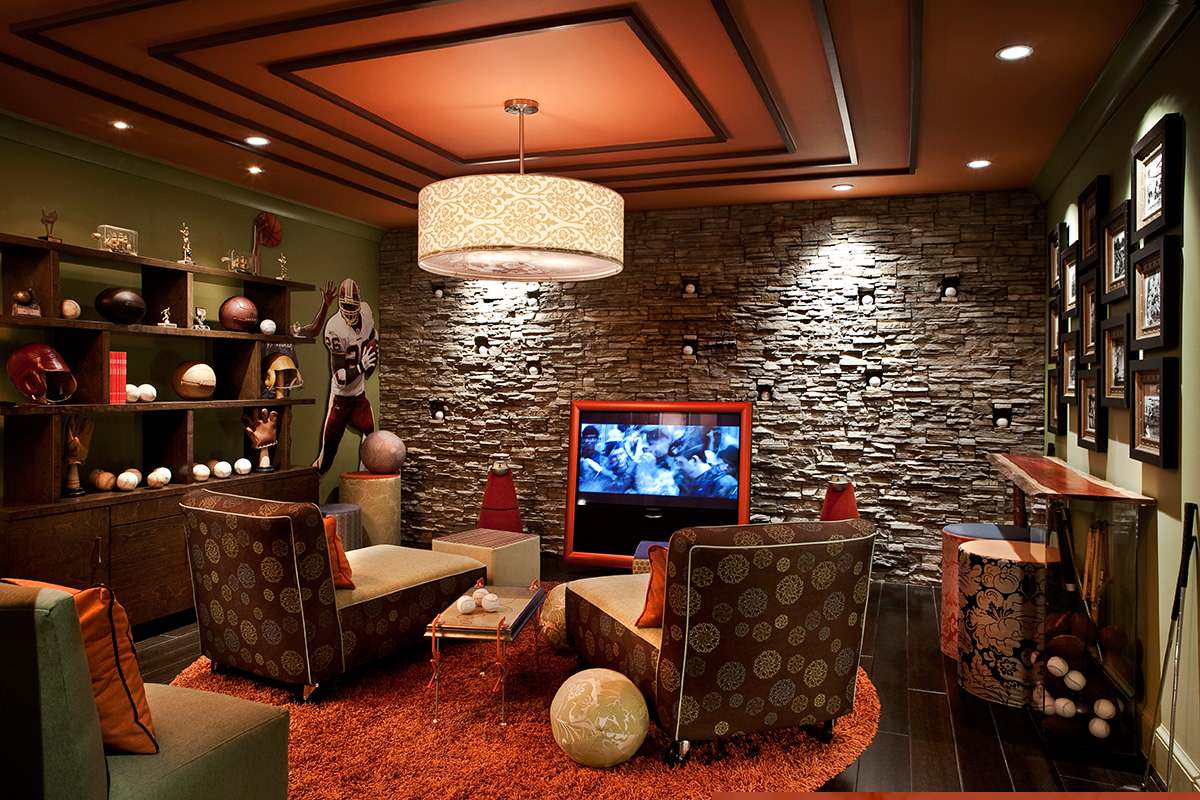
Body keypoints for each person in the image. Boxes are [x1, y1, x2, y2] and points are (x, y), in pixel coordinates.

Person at [311, 278, 378, 474]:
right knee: (327, 456)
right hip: (340, 398)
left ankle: (363, 476)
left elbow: (372, 334)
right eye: (345, 305)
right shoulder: (335, 328)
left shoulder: (366, 313)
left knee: (370, 435)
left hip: (358, 395)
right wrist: (363, 365)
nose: (349, 310)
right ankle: (311, 483)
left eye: (352, 305)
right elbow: (340, 377)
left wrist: (374, 345)